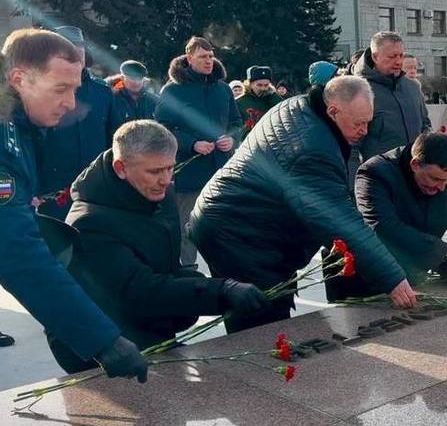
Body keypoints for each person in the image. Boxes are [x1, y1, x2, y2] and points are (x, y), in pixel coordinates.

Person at [190, 76, 417, 333]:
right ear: (333, 110)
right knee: (261, 321)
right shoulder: (311, 148)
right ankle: (260, 370)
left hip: (237, 220)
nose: (364, 131)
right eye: (358, 123)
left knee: (269, 308)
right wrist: (393, 279)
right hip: (239, 233)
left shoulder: (300, 106)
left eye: (368, 122)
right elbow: (337, 217)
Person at [47, 120, 269, 373]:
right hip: (108, 349)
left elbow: (165, 266)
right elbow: (140, 292)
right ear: (121, 168)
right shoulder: (89, 222)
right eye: (155, 171)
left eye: (170, 168)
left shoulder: (156, 194)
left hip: (146, 327)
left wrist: (226, 285)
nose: (165, 180)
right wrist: (219, 292)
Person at [0, 28, 147, 380]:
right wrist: (104, 341)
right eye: (60, 89)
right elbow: (17, 254)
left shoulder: (17, 126)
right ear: (20, 78)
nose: (70, 104)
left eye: (75, 89)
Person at [351, 133, 447, 294]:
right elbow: (382, 227)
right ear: (415, 164)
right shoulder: (375, 173)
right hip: (367, 280)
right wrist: (443, 255)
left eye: (446, 180)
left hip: (412, 281)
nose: (442, 187)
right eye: (435, 179)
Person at [155, 36, 242, 267]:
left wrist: (231, 140)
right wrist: (192, 144)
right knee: (187, 226)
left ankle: (224, 270)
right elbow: (163, 128)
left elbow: (236, 122)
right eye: (203, 56)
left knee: (222, 224)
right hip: (190, 170)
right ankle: (188, 270)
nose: (209, 61)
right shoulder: (173, 90)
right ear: (189, 58)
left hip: (221, 168)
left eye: (211, 56)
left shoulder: (223, 89)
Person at [37, 26, 122, 220]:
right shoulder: (41, 93)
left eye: (79, 49)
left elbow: (115, 139)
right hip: (53, 191)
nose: (76, 54)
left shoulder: (102, 92)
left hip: (95, 188)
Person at [352, 32, 431, 162]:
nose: (399, 61)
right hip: (379, 177)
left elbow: (425, 125)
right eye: (392, 57)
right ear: (375, 57)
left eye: (401, 55)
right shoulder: (358, 91)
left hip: (416, 175)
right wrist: (356, 180)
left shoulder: (413, 88)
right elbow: (351, 148)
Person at [236, 66, 283, 138]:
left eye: (266, 85)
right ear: (251, 84)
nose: (263, 88)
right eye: (259, 85)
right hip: (248, 142)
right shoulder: (239, 102)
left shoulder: (274, 99)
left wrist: (273, 95)